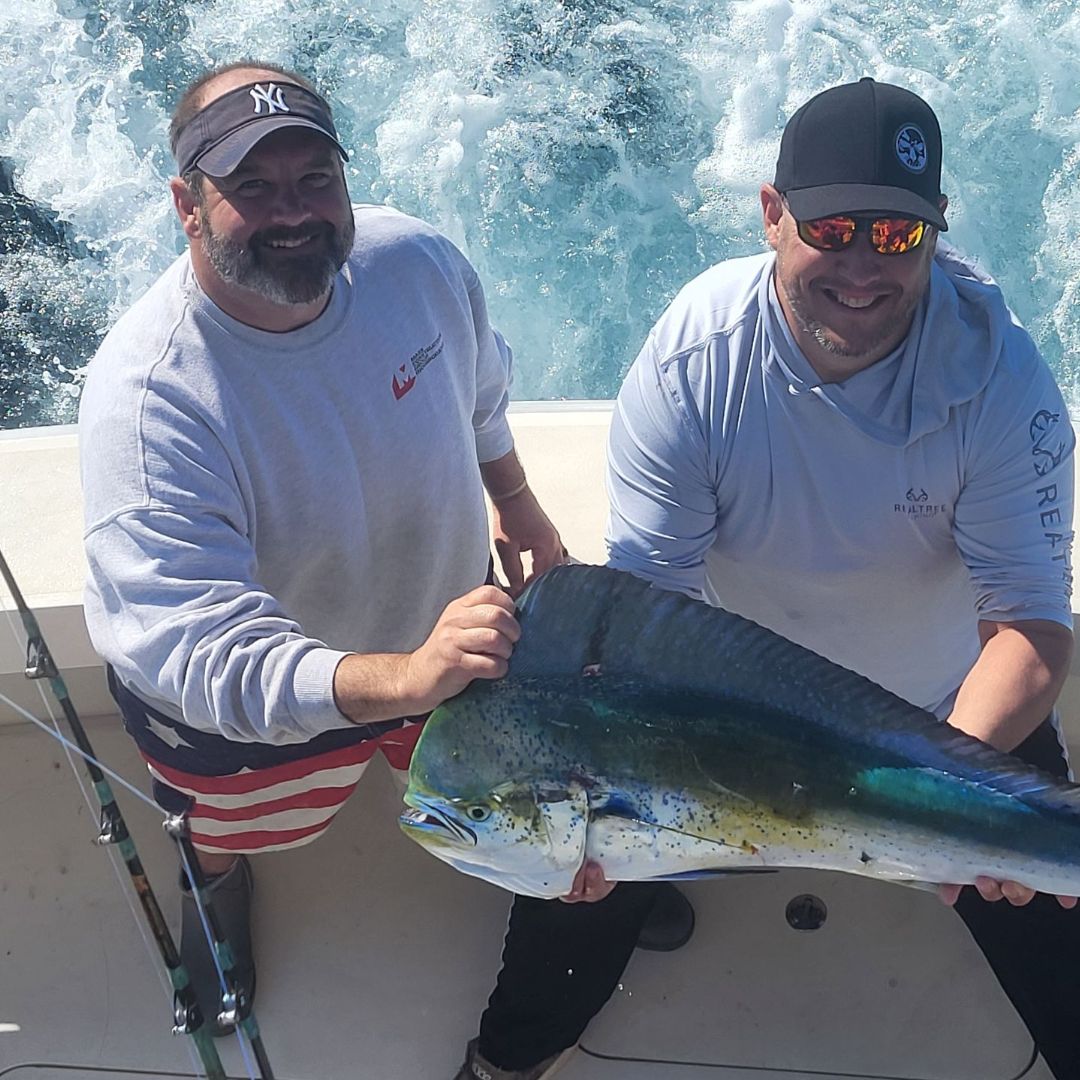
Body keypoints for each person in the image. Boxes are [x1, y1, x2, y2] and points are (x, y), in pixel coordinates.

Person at [457, 78, 1079, 1080]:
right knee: (560, 931)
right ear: (771, 213)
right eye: (835, 228)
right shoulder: (698, 359)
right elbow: (645, 608)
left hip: (949, 722)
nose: (864, 270)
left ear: (937, 234)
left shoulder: (1004, 383)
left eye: (898, 238)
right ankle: (505, 1059)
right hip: (734, 721)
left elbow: (1032, 630)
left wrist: (942, 789)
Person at [76, 60, 570, 1036]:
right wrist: (405, 676)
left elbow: (479, 381)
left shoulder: (416, 262)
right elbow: (198, 654)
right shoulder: (150, 399)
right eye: (251, 189)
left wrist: (515, 500)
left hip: (446, 639)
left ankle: (556, 876)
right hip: (251, 716)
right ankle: (213, 895)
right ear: (186, 203)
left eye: (315, 181)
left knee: (482, 792)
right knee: (229, 831)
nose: (293, 213)